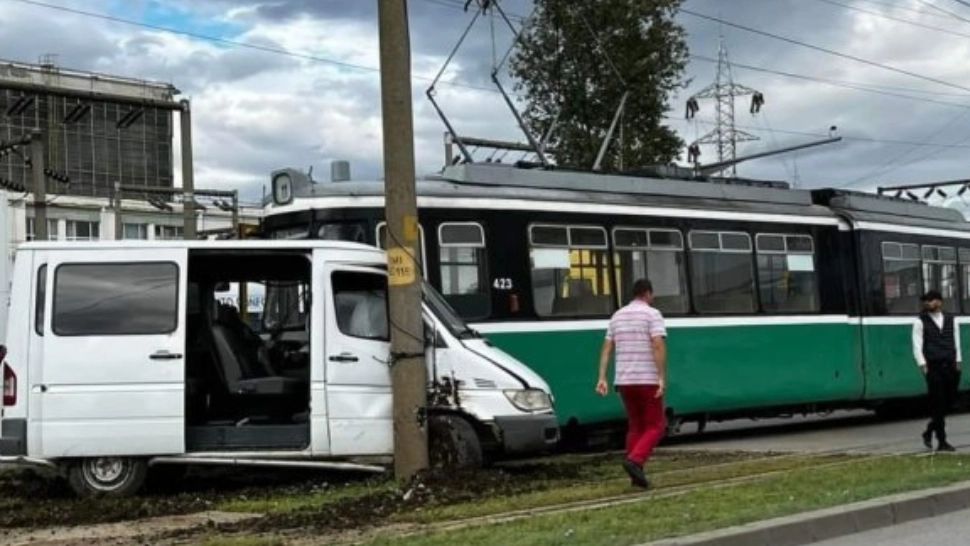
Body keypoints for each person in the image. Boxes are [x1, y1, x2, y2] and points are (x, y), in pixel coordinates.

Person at [596, 278, 667, 488]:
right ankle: (635, 461)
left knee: (636, 426)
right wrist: (661, 377)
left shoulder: (617, 316)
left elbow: (607, 348)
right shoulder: (652, 314)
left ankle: (636, 475)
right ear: (648, 294)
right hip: (646, 379)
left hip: (624, 380)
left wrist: (602, 377)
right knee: (656, 425)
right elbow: (658, 346)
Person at [913, 290, 962, 452]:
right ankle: (942, 441)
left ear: (940, 302)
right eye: (926, 301)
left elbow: (956, 341)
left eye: (931, 300)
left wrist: (958, 361)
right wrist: (922, 364)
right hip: (933, 367)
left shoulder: (951, 320)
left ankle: (928, 430)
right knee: (938, 403)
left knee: (950, 402)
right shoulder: (920, 322)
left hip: (951, 365)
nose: (928, 303)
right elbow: (917, 345)